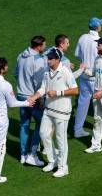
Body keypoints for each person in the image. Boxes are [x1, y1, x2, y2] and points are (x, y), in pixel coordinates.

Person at [27, 48, 79, 178]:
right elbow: (43, 88)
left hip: (62, 111)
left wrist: (58, 93)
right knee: (43, 134)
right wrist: (34, 97)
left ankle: (63, 167)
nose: (47, 60)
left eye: (50, 59)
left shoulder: (66, 71)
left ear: (57, 59)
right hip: (49, 110)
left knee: (61, 140)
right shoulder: (47, 72)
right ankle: (53, 161)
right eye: (47, 58)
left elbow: (75, 90)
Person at [14, 35, 47, 167]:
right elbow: (38, 82)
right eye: (44, 45)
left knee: (24, 124)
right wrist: (38, 98)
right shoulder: (38, 60)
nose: (45, 47)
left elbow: (16, 73)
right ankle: (32, 154)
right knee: (42, 122)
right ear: (39, 46)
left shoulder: (21, 55)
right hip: (32, 97)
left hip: (21, 96)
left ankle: (23, 155)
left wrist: (22, 85)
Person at [74, 18, 102, 138]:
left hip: (83, 76)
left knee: (82, 104)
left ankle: (77, 129)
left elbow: (77, 54)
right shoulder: (99, 41)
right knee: (100, 105)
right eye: (100, 25)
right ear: (97, 28)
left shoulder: (82, 37)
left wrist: (85, 61)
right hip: (95, 77)